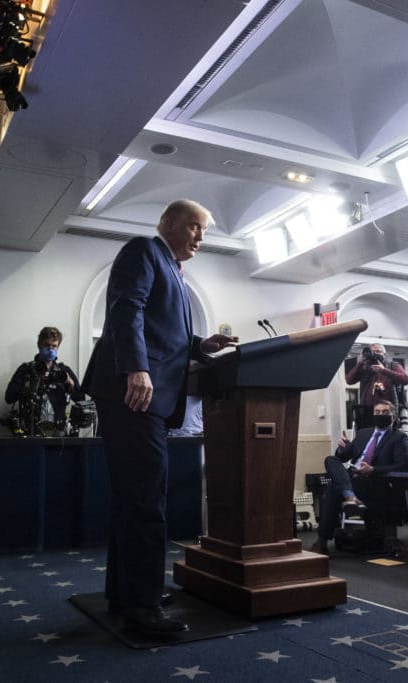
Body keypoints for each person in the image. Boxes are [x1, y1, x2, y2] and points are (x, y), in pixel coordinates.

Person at [81, 199, 237, 637]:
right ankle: (144, 611)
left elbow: (163, 332)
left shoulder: (173, 271)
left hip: (145, 397)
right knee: (148, 501)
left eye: (203, 232)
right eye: (193, 227)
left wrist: (200, 345)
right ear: (168, 222)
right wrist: (137, 367)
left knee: (133, 500)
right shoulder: (145, 251)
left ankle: (127, 593)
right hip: (134, 393)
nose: (200, 239)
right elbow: (126, 308)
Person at [311, 400, 408, 554]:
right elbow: (344, 457)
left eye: (385, 412)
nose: (380, 415)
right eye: (377, 412)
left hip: (374, 482)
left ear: (394, 416)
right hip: (353, 477)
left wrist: (373, 470)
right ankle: (349, 495)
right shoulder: (363, 433)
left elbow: (402, 466)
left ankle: (322, 541)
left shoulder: (399, 437)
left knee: (332, 489)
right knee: (331, 460)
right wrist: (342, 449)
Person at [3, 326, 84, 436]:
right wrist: (30, 386)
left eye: (54, 346)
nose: (50, 349)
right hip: (30, 431)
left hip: (58, 433)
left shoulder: (64, 371)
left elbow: (81, 399)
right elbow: (9, 397)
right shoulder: (26, 369)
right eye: (47, 345)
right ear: (39, 345)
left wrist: (70, 384)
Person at [345, 343, 408, 430]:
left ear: (384, 354)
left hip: (387, 413)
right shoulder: (365, 368)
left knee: (386, 439)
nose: (375, 354)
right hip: (367, 414)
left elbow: (405, 379)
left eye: (378, 351)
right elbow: (349, 380)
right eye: (372, 352)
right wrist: (360, 363)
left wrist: (384, 370)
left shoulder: (392, 366)